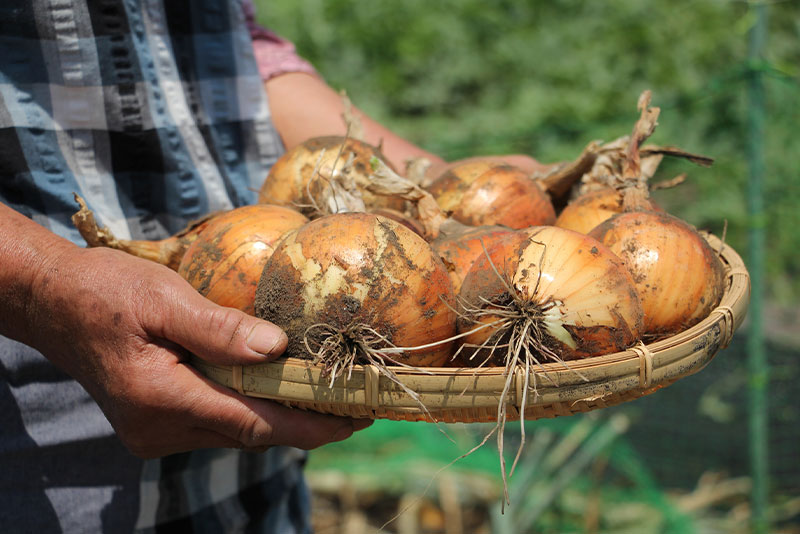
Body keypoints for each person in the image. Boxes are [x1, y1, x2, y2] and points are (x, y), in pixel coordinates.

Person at [0, 1, 546, 532]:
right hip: (42, 456)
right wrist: (41, 288)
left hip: (263, 470)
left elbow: (233, 49)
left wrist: (440, 186)